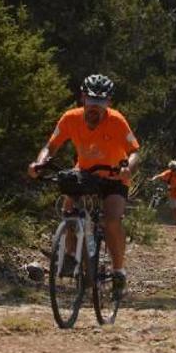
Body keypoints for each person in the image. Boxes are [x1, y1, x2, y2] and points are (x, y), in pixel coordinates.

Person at [28, 74, 139, 298]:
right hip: (85, 173)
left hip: (114, 176)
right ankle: (71, 255)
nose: (95, 107)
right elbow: (51, 146)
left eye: (101, 102)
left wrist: (128, 168)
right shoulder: (70, 118)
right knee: (69, 211)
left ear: (108, 103)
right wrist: (39, 162)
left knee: (111, 220)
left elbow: (135, 151)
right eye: (91, 101)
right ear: (83, 99)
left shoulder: (117, 121)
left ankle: (118, 271)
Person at [151, 160, 176, 226]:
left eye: (175, 169)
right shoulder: (169, 173)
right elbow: (160, 175)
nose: (174, 171)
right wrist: (154, 178)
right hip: (173, 194)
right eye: (172, 169)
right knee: (175, 208)